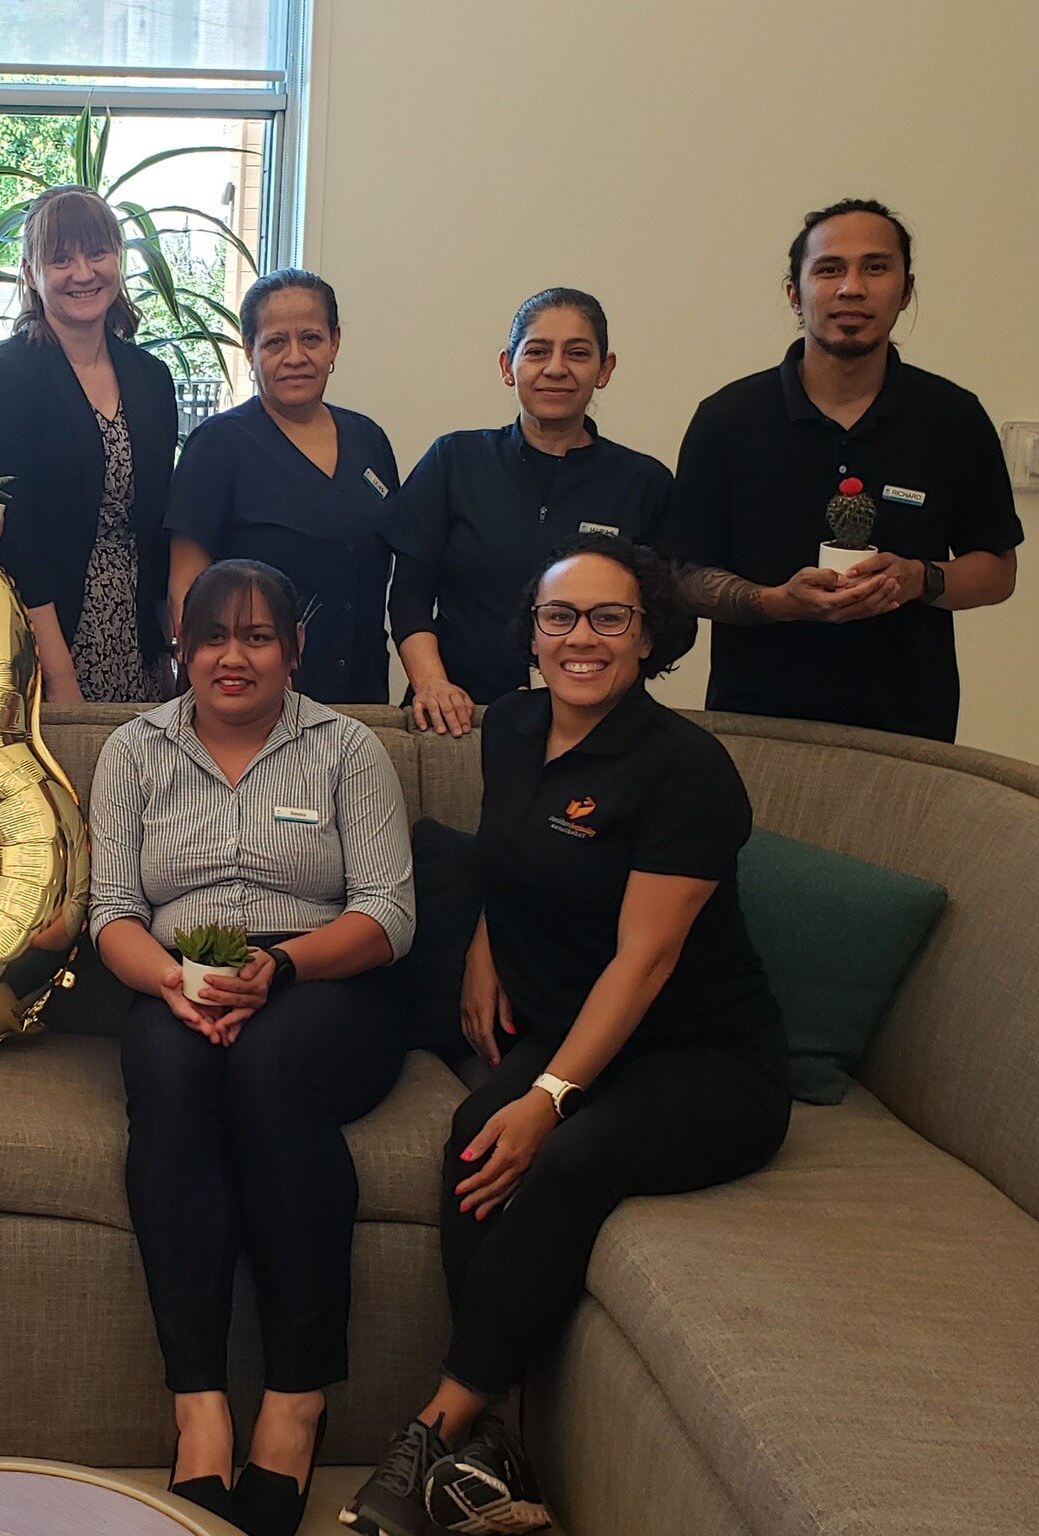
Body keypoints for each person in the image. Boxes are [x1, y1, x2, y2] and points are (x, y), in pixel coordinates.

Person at [342, 534, 792, 1536]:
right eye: (558, 617)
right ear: (531, 633)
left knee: (559, 1158)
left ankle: (430, 1437)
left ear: (647, 638)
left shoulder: (685, 769)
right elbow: (513, 853)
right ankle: (493, 1445)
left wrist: (548, 1097)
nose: (578, 637)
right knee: (473, 1139)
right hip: (578, 1036)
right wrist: (481, 949)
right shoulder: (509, 725)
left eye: (607, 617)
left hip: (704, 1060)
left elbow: (644, 959)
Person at [88, 560, 415, 1536]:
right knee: (166, 1069)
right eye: (212, 638)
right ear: (180, 651)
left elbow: (388, 912)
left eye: (258, 635)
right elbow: (108, 910)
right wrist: (170, 983)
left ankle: (293, 1398)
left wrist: (279, 972)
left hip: (322, 975)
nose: (233, 657)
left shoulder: (344, 746)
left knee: (271, 1071)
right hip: (177, 971)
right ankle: (198, 1411)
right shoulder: (132, 751)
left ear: (293, 650)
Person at [659, 198, 1021, 743]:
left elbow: (998, 571)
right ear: (794, 294)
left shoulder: (953, 417)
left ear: (905, 290)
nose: (851, 288)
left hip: (910, 735)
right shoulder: (728, 419)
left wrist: (921, 579)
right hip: (755, 730)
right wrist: (777, 602)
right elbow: (682, 577)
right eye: (829, 269)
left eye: (875, 268)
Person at [386, 289, 671, 735]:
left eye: (577, 353)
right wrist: (433, 684)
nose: (555, 368)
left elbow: (663, 620)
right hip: (458, 716)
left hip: (595, 723)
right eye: (537, 351)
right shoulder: (454, 460)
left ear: (604, 370)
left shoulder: (643, 482)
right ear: (507, 366)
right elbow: (409, 595)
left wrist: (584, 689)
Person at [0, 184, 177, 702]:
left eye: (97, 253)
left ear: (118, 261)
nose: (83, 273)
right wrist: (60, 677)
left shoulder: (151, 378)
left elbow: (157, 524)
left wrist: (167, 650)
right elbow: (11, 538)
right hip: (48, 640)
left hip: (137, 637)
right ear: (32, 273)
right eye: (61, 259)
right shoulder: (4, 376)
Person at [166, 269, 399, 704]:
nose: (295, 356)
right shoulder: (218, 445)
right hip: (251, 700)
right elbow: (186, 590)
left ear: (334, 343)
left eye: (310, 339)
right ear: (250, 349)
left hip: (360, 693)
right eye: (275, 342)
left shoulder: (369, 440)